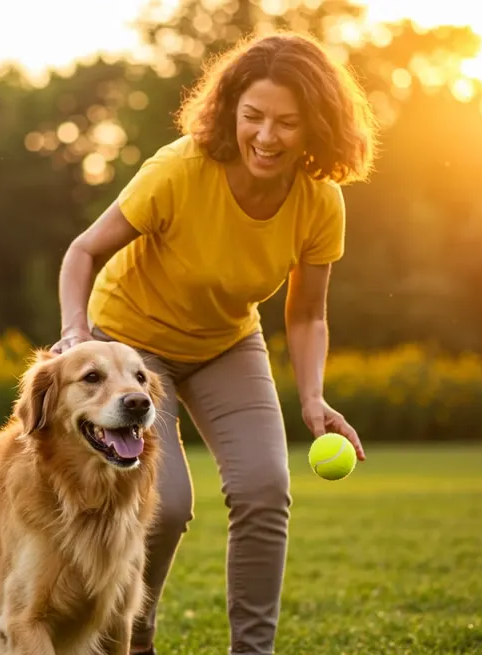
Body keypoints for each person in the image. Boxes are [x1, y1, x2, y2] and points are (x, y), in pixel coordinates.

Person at [50, 30, 377, 655]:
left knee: (265, 489)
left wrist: (313, 399)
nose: (266, 136)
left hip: (226, 343)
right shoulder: (180, 169)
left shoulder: (319, 201)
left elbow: (307, 314)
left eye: (287, 122)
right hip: (132, 348)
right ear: (230, 111)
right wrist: (76, 335)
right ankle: (131, 641)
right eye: (253, 116)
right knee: (164, 505)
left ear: (317, 126)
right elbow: (83, 252)